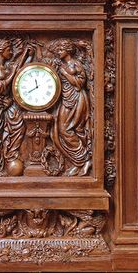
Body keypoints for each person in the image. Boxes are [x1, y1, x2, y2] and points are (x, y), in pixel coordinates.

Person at [0, 38, 28, 176]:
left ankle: (11, 155)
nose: (11, 52)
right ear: (1, 51)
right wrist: (12, 74)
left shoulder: (6, 66)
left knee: (18, 125)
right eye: (9, 50)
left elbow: (17, 70)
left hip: (6, 103)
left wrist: (26, 55)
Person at [51, 38, 92, 176]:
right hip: (66, 99)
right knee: (61, 130)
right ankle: (79, 161)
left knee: (70, 130)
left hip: (77, 98)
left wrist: (65, 73)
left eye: (61, 50)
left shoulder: (76, 64)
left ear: (68, 50)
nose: (58, 52)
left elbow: (80, 84)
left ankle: (85, 160)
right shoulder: (61, 64)